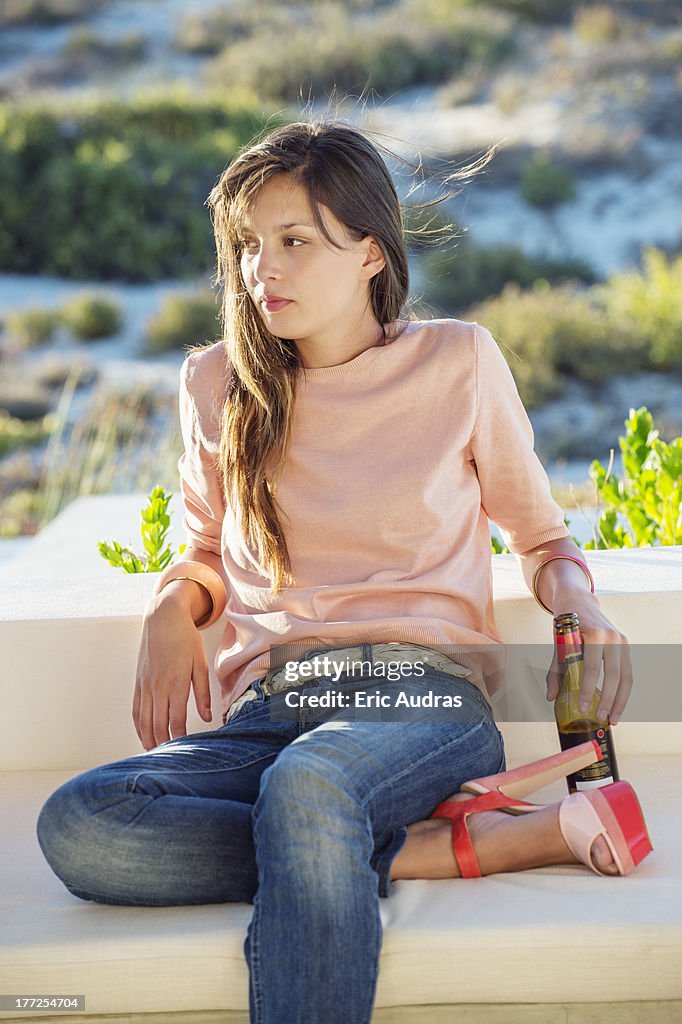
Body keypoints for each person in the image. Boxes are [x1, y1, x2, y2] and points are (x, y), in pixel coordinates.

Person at [36, 118, 652, 1024]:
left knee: (313, 785)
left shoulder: (459, 363)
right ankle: (444, 847)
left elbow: (542, 539)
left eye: (293, 242)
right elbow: (204, 548)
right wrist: (173, 606)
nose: (262, 271)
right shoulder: (218, 384)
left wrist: (583, 608)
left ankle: (344, 833)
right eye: (249, 245)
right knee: (84, 825)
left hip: (423, 698)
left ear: (369, 252)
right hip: (270, 711)